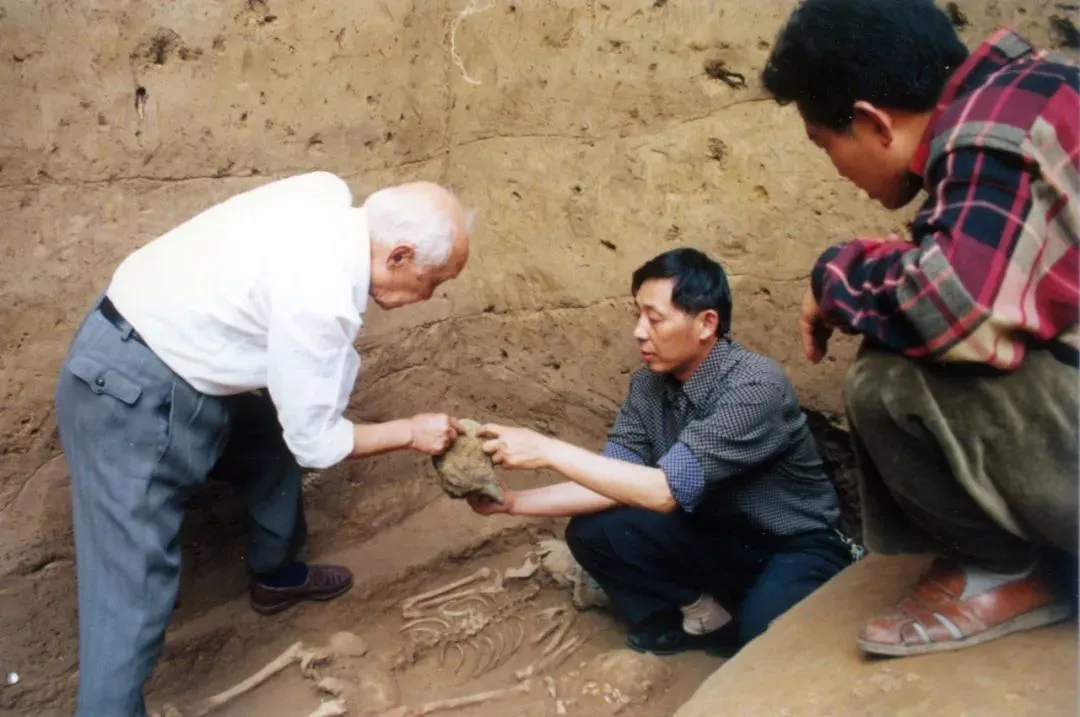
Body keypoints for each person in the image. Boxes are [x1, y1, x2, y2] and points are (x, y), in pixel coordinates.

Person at [54, 171, 472, 717]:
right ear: (398, 255)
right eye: (432, 281)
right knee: (128, 599)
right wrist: (412, 432)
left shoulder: (324, 193)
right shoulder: (322, 298)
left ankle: (275, 575)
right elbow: (316, 443)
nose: (429, 296)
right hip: (131, 397)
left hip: (168, 358)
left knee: (267, 443)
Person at [761, 0, 1078, 657]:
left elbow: (954, 309)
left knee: (888, 380)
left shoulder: (989, 133)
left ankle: (1003, 570)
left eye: (825, 143)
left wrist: (836, 273)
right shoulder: (1038, 89)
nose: (834, 166)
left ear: (873, 121)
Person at [467, 248, 860, 656]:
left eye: (654, 319)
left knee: (765, 637)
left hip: (793, 544)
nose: (639, 332)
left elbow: (663, 491)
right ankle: (703, 619)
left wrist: (547, 450)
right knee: (594, 531)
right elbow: (612, 478)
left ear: (707, 323)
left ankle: (759, 614)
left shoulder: (755, 386)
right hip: (716, 537)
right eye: (637, 315)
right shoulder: (647, 386)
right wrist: (512, 503)